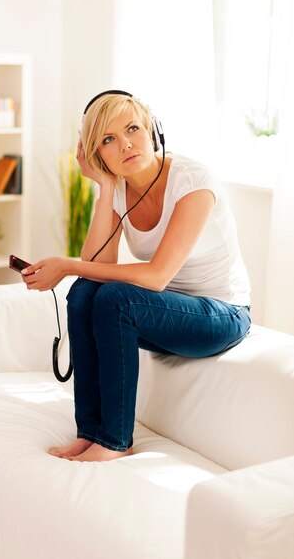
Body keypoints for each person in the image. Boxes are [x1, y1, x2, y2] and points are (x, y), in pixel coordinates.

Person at [21, 91, 251, 463]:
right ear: (96, 154)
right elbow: (99, 261)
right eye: (108, 140)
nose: (125, 144)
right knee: (84, 294)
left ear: (153, 130)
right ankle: (90, 433)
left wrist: (65, 265)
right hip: (168, 313)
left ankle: (115, 440)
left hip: (221, 314)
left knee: (116, 298)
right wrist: (106, 187)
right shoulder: (119, 186)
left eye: (133, 129)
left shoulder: (192, 180)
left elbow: (157, 276)